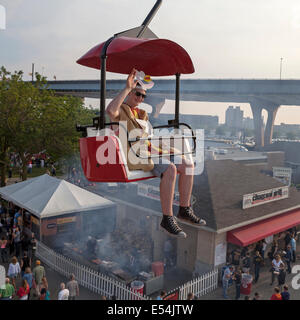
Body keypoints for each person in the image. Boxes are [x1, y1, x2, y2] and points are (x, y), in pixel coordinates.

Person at [106, 68, 206, 238]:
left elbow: (147, 140)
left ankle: (184, 209)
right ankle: (167, 218)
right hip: (133, 154)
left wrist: (166, 150)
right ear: (130, 93)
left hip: (146, 150)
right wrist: (126, 88)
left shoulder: (142, 114)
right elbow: (110, 111)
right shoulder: (121, 110)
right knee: (171, 169)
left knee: (187, 164)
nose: (140, 99)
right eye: (137, 94)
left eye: (143, 96)